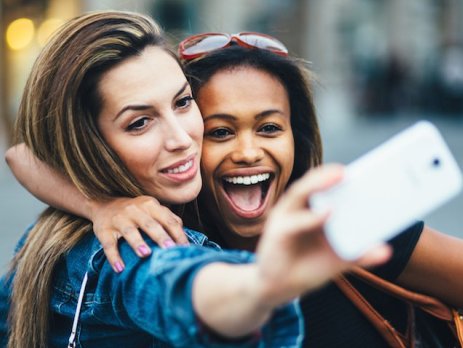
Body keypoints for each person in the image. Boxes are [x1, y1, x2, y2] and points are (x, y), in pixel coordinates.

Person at [7, 30, 462, 346]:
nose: (248, 152)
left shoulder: (344, 222)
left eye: (269, 128)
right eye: (221, 131)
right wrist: (102, 205)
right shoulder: (154, 238)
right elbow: (24, 153)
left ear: (295, 139)